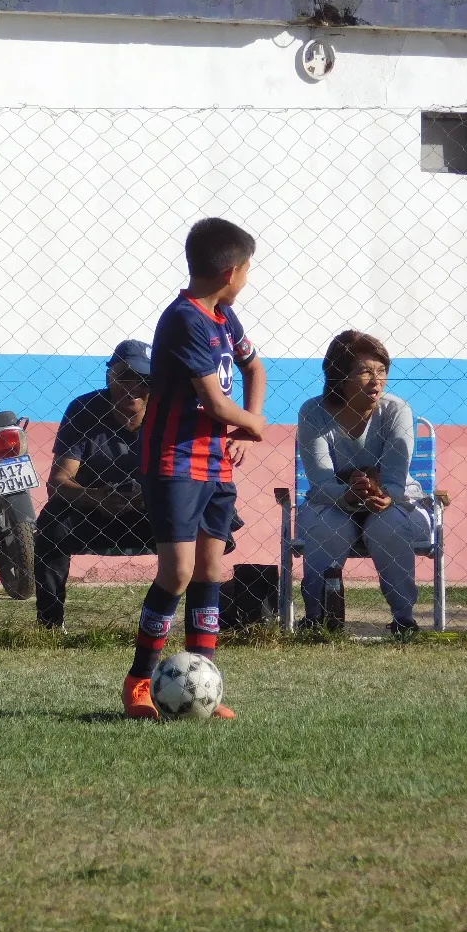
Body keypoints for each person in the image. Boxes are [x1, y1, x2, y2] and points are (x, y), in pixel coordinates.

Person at [122, 217, 266, 720]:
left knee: (209, 571)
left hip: (215, 464)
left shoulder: (225, 317)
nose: (247, 278)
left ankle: (204, 686)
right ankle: (139, 681)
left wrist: (246, 425)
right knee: (177, 573)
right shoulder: (185, 319)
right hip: (175, 461)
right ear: (230, 272)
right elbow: (215, 402)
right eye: (248, 270)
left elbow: (254, 367)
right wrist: (254, 424)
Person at [297, 331, 431, 637]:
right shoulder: (313, 413)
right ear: (339, 376)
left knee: (388, 525)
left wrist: (383, 494)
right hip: (334, 504)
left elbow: (396, 479)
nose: (376, 381)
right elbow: (320, 482)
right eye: (365, 372)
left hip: (395, 504)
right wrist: (347, 494)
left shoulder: (396, 410)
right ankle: (317, 618)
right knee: (327, 526)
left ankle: (404, 619)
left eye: (382, 371)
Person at [34, 340, 156, 630]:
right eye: (123, 377)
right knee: (51, 525)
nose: (133, 387)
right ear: (109, 377)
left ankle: (181, 623)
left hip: (152, 510)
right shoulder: (84, 410)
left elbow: (184, 478)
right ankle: (49, 625)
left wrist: (147, 498)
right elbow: (58, 482)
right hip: (92, 510)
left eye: (143, 380)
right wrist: (97, 498)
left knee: (198, 521)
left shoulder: (166, 414)